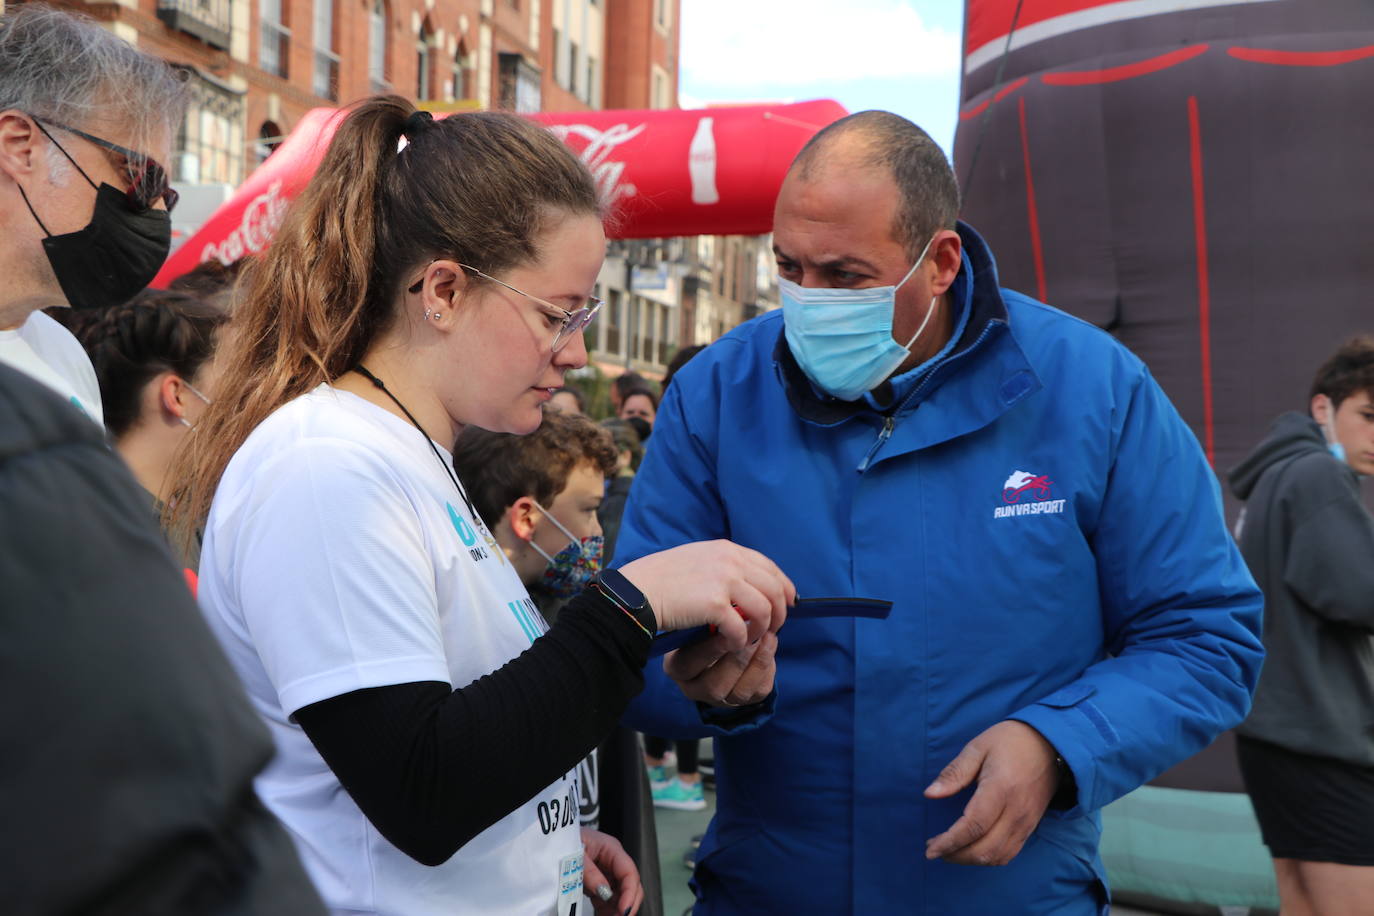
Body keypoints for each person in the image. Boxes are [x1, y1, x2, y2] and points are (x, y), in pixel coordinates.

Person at [614, 110, 1264, 914]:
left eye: (845, 276)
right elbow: (629, 653)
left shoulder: (1097, 391)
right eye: (789, 266)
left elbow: (1207, 635)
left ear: (941, 261)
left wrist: (1059, 744)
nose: (807, 303)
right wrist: (706, 692)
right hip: (771, 891)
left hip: (1011, 895)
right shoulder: (716, 395)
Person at [167, 97, 792, 916]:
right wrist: (631, 608)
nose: (574, 351)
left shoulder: (410, 459)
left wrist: (540, 844)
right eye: (555, 314)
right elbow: (420, 788)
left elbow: (454, 739)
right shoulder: (328, 468)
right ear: (445, 291)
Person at [453, 411, 665, 916]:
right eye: (589, 509)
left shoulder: (576, 617)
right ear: (527, 517)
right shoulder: (470, 630)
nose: (597, 531)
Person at [1228, 336, 1374, 916]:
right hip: (1321, 739)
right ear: (1323, 409)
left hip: (1272, 737)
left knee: (1301, 900)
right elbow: (1363, 595)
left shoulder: (1273, 477)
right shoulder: (1316, 475)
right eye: (1369, 416)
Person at [0, 5, 184, 425]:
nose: (156, 212)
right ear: (21, 147)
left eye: (165, 196)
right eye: (141, 178)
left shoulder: (64, 357)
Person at [73, 289, 225, 572]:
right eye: (231, 374)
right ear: (176, 395)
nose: (248, 391)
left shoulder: (190, 511)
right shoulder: (116, 538)